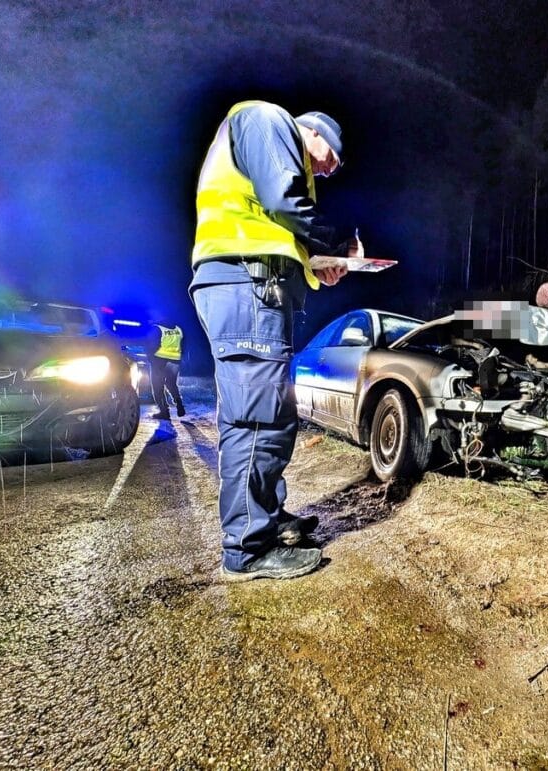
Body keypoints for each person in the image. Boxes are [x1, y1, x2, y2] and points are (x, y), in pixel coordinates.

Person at [189, 100, 351, 582]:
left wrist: (319, 264)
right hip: (245, 284)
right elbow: (284, 200)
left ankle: (266, 519)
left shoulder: (268, 146)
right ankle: (247, 548)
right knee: (256, 418)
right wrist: (335, 244)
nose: (326, 169)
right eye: (330, 157)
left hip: (255, 286)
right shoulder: (265, 118)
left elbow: (276, 223)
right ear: (314, 131)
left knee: (271, 415)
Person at [147, 320, 186, 420]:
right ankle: (179, 403)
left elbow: (151, 345)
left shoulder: (157, 328)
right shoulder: (178, 328)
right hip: (175, 360)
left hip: (160, 360)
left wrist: (150, 358)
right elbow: (184, 344)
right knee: (171, 384)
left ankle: (164, 412)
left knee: (157, 387)